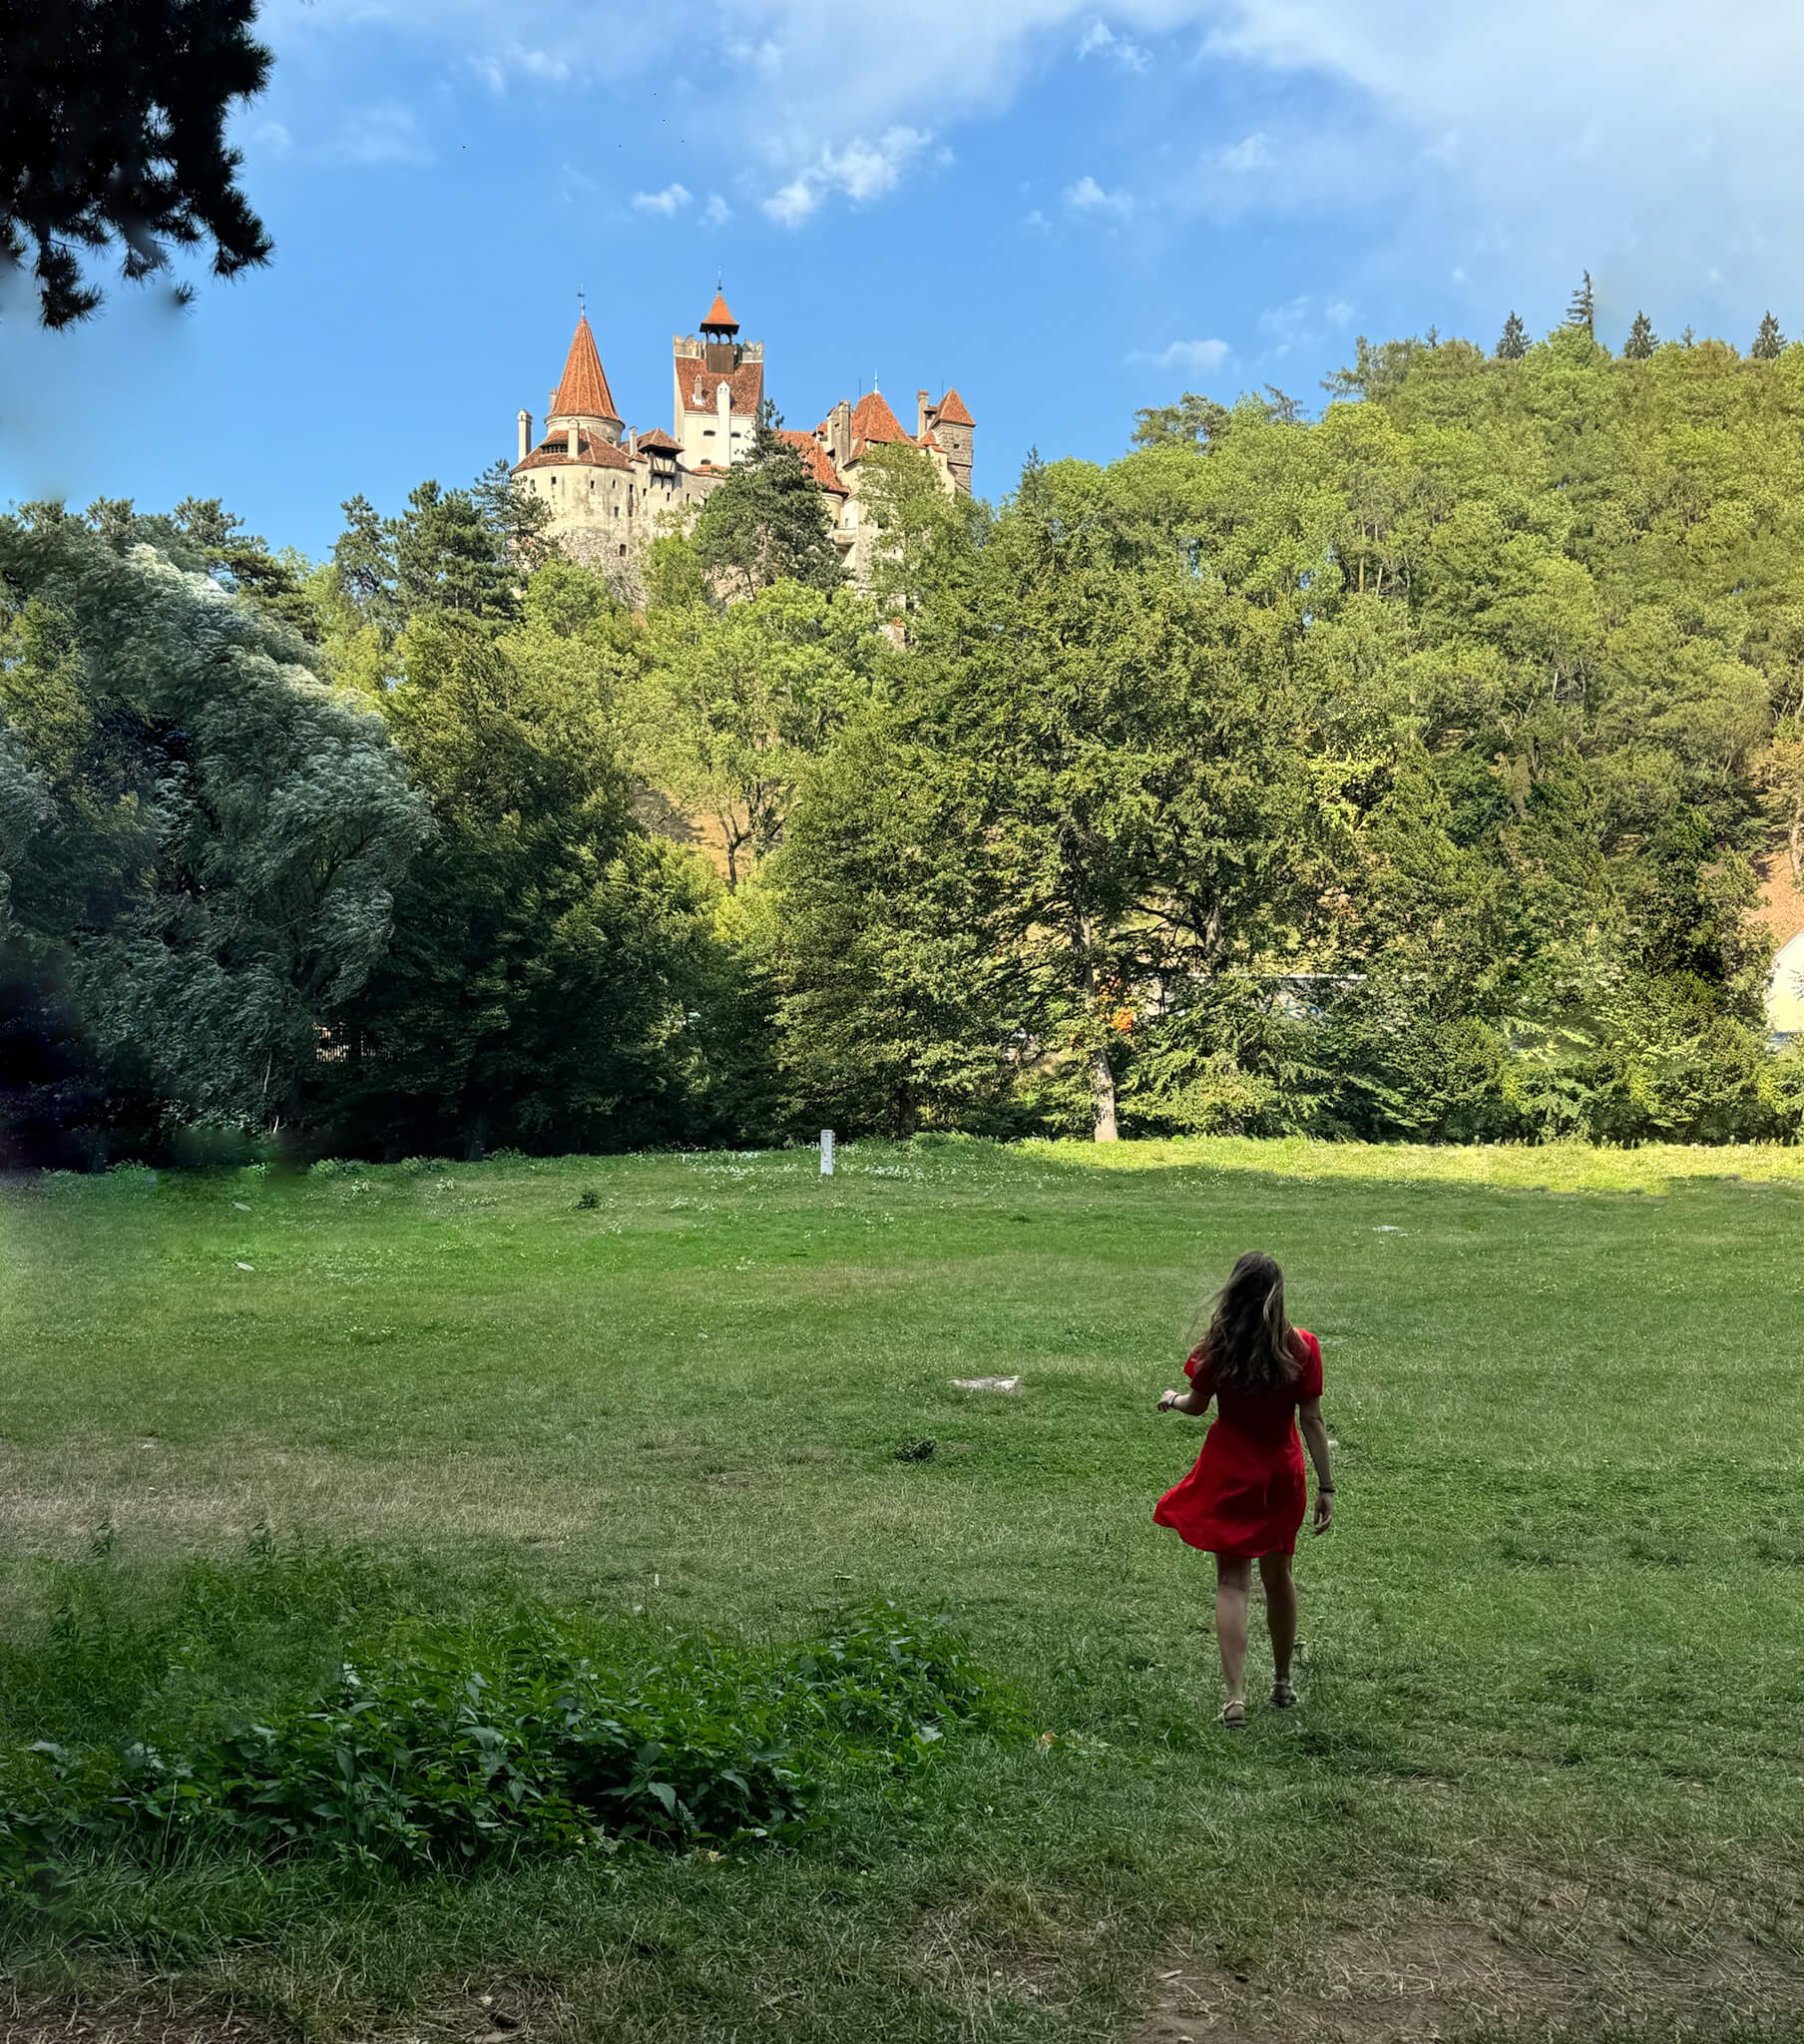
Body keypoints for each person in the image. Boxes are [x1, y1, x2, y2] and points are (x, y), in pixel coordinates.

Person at [1152, 1251, 1334, 1728]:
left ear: (1234, 1292)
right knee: (1279, 1576)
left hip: (1230, 1473)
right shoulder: (1304, 1348)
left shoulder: (1219, 1347)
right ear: (1278, 1297)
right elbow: (1311, 1420)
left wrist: (1171, 1399)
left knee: (1232, 1582)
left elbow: (1196, 1405)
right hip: (1281, 1474)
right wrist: (1327, 1486)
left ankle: (1235, 1698)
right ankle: (1282, 1682)